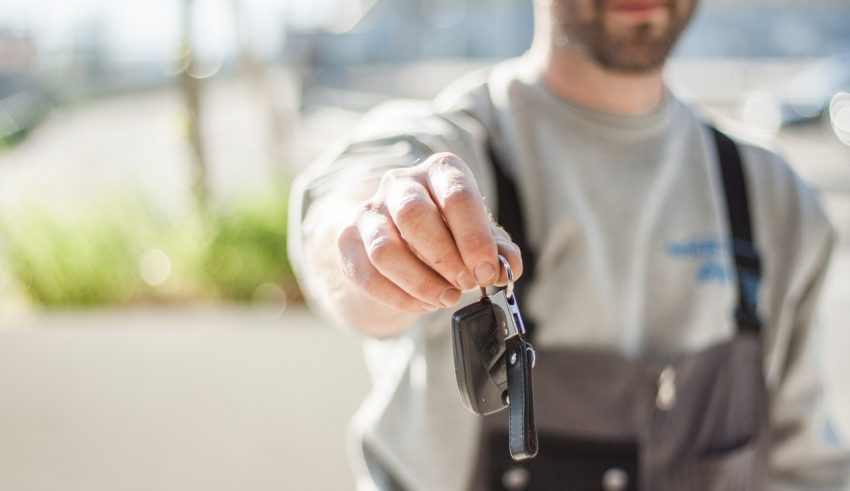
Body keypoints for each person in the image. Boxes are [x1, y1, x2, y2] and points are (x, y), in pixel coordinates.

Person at [288, 0, 850, 489]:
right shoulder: (460, 144)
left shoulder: (772, 197)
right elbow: (344, 225)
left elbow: (806, 465)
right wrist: (385, 240)